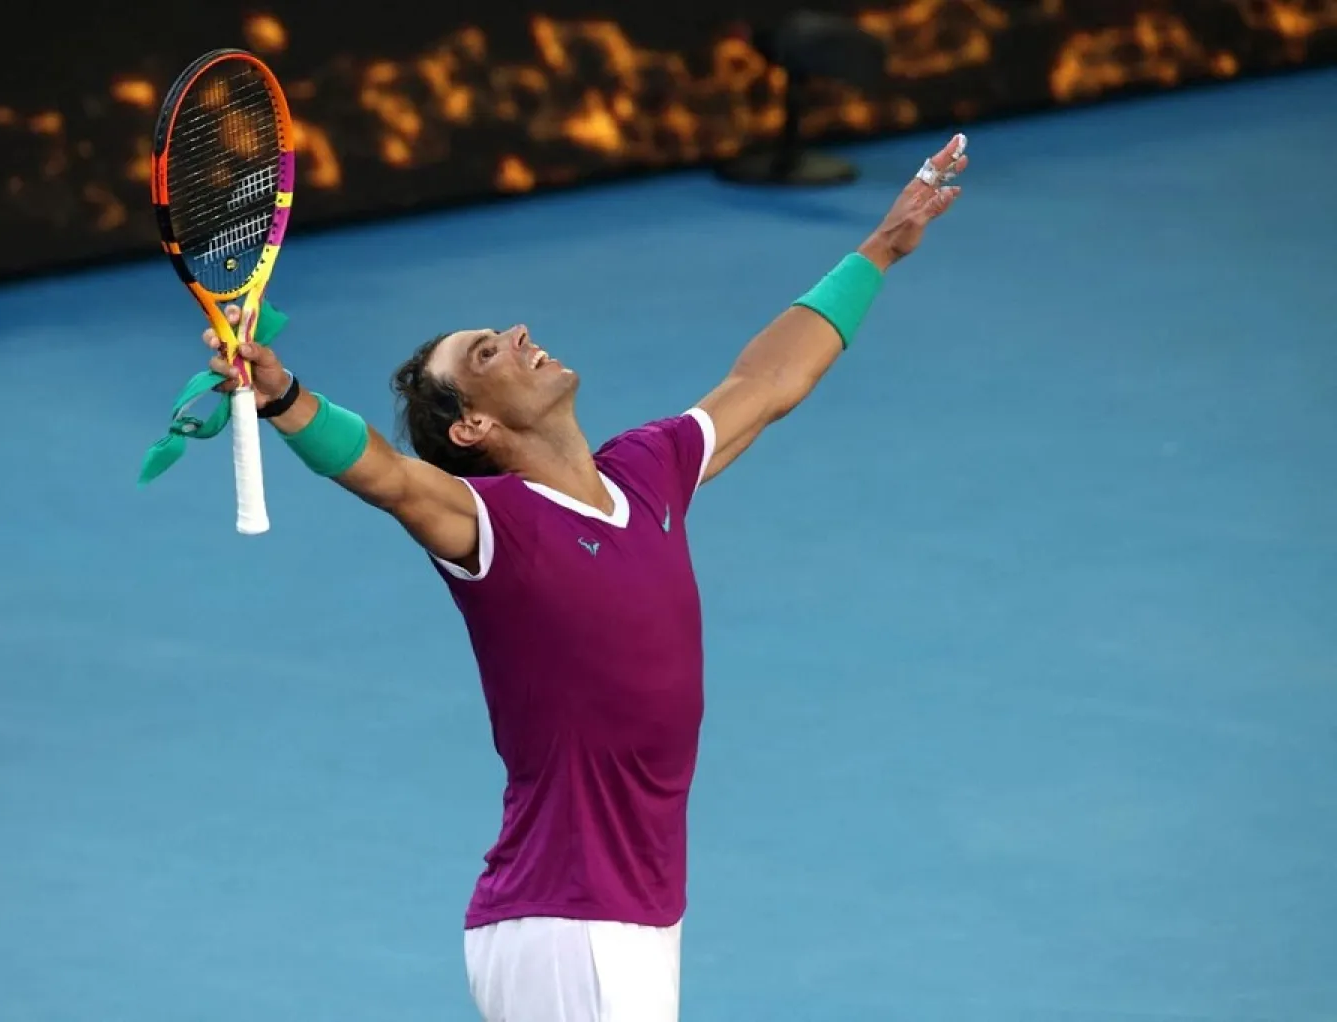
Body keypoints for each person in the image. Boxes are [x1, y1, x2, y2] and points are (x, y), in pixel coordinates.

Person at [202, 133, 968, 1022]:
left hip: (632, 915)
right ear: (473, 428)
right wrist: (286, 397)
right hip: (567, 919)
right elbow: (387, 476)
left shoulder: (648, 471)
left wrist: (882, 246)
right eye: (485, 355)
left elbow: (765, 382)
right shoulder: (491, 523)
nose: (517, 336)